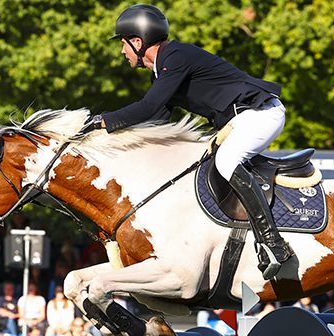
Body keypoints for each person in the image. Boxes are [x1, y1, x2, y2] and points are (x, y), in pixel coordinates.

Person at [88, 4, 293, 279]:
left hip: (261, 113)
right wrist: (105, 140)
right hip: (241, 120)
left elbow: (148, 107)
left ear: (137, 42)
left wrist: (103, 120)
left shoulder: (176, 56)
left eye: (123, 44)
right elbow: (157, 119)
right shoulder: (162, 69)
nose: (122, 51)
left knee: (226, 160)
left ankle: (274, 244)